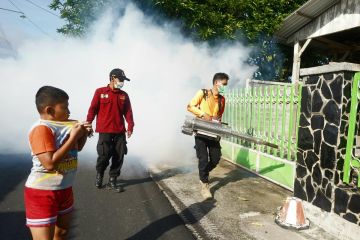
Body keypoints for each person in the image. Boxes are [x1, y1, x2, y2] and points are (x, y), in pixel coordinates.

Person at [24, 86, 92, 240]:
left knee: (61, 233)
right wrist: (74, 136)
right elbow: (49, 164)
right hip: (42, 192)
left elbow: (77, 148)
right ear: (49, 110)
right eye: (65, 107)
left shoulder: (67, 124)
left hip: (65, 188)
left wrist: (84, 134)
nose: (69, 111)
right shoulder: (41, 129)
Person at [87, 68, 134, 190]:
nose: (122, 82)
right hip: (105, 131)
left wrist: (130, 126)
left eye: (123, 80)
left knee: (119, 156)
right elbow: (93, 109)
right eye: (121, 79)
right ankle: (100, 174)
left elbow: (128, 112)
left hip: (119, 131)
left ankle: (113, 179)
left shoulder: (124, 95)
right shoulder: (100, 92)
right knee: (104, 155)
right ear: (113, 78)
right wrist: (88, 124)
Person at [187, 72, 229, 200]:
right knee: (203, 159)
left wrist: (217, 120)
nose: (225, 87)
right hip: (200, 132)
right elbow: (190, 106)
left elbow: (219, 115)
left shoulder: (222, 100)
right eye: (224, 84)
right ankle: (204, 185)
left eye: (226, 85)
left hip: (213, 133)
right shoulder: (203, 93)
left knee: (216, 158)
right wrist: (202, 114)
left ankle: (203, 172)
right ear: (217, 83)